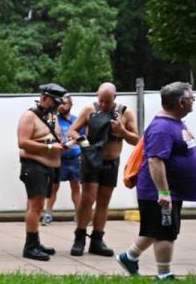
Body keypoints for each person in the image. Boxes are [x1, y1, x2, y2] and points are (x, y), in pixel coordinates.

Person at [117, 82, 196, 280]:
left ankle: (129, 257)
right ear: (181, 102)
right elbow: (155, 161)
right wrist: (164, 193)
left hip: (169, 191)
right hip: (160, 192)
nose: (193, 101)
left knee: (156, 228)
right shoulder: (163, 127)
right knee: (165, 233)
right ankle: (164, 275)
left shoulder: (173, 122)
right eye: (192, 98)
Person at [66, 82, 140, 256]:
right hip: (91, 160)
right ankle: (80, 238)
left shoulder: (125, 113)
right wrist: (84, 143)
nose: (105, 105)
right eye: (102, 101)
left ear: (115, 97)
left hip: (111, 161)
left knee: (104, 201)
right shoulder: (89, 110)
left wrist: (122, 131)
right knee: (87, 198)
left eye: (108, 101)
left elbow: (137, 139)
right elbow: (72, 131)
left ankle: (97, 240)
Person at [17, 83, 67, 261]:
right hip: (34, 166)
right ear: (44, 97)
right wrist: (49, 146)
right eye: (54, 101)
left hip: (48, 167)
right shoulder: (29, 116)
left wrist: (64, 145)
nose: (57, 105)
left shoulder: (51, 116)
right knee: (35, 206)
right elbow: (23, 142)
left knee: (38, 206)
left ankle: (35, 241)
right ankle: (30, 246)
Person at [44, 94, 82, 225]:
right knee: (53, 187)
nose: (61, 106)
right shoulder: (54, 120)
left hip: (75, 159)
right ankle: (48, 214)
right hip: (59, 158)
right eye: (59, 103)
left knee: (76, 187)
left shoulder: (77, 120)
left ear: (71, 104)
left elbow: (84, 139)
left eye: (64, 103)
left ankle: (79, 215)